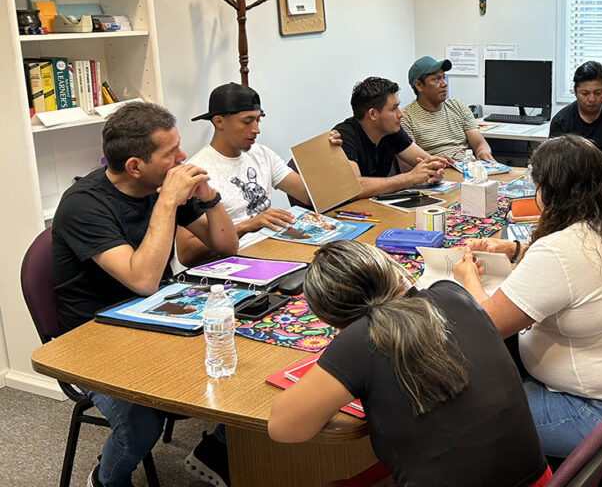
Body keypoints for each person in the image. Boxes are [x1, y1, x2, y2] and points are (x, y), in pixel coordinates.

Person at [50, 102, 238, 487]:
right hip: (93, 337)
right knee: (140, 423)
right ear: (136, 166)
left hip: (153, 314)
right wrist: (168, 200)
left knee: (245, 354)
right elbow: (143, 280)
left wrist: (209, 197)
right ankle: (104, 481)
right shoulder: (84, 205)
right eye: (171, 153)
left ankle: (216, 450)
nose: (183, 158)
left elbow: (226, 246)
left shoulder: (156, 184)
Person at [452, 134, 602, 458]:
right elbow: (581, 274)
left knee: (460, 418)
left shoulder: (559, 251)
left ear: (550, 192)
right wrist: (517, 249)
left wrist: (467, 276)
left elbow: (486, 325)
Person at [267, 241, 551, 487]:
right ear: (394, 273)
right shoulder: (451, 293)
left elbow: (283, 428)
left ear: (329, 320)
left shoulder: (359, 341)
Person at [176, 82, 343, 266]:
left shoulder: (261, 153)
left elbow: (310, 195)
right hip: (236, 262)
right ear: (219, 121)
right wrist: (248, 226)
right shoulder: (197, 172)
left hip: (275, 248)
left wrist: (328, 154)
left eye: (258, 120)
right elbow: (186, 255)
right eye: (247, 121)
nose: (256, 129)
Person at [333, 76, 449, 199]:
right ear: (373, 114)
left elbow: (428, 162)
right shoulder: (344, 136)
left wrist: (435, 171)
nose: (400, 114)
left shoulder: (391, 130)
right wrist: (410, 177)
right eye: (394, 109)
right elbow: (354, 187)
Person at [400, 56, 494, 162]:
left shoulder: (458, 107)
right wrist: (434, 161)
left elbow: (479, 143)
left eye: (443, 77)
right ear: (419, 85)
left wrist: (483, 151)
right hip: (436, 173)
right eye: (436, 79)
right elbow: (407, 164)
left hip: (466, 169)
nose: (444, 84)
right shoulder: (405, 117)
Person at [548, 60, 602, 158]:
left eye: (598, 93)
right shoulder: (561, 122)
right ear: (575, 92)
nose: (592, 99)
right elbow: (554, 163)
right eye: (585, 93)